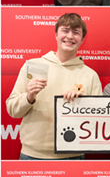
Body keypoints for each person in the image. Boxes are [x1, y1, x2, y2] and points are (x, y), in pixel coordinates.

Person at [6, 13, 102, 160]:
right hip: (32, 155)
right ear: (56, 34)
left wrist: (83, 104)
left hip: (74, 155)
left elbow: (99, 121)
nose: (70, 36)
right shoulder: (32, 66)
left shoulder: (90, 75)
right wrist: (29, 97)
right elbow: (12, 110)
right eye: (65, 30)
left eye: (76, 32)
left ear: (82, 40)